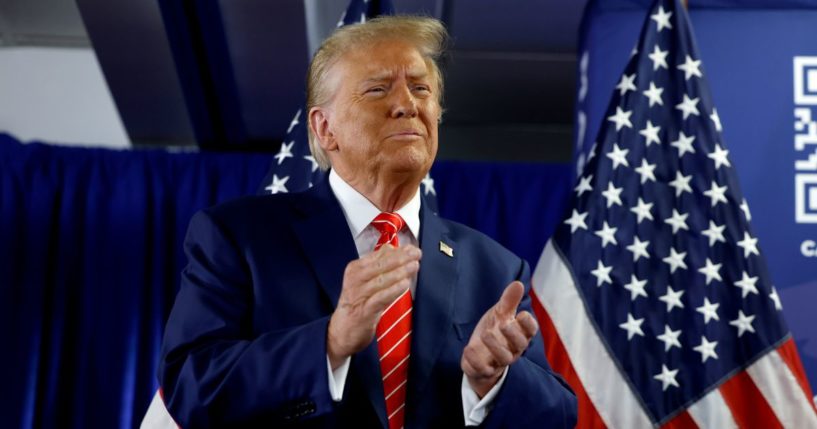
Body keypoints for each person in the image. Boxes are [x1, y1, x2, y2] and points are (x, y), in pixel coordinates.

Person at [159, 15, 577, 428]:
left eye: (420, 89)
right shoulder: (239, 238)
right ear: (324, 129)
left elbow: (559, 414)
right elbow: (191, 388)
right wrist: (330, 343)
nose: (406, 105)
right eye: (378, 90)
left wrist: (493, 381)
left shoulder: (496, 269)